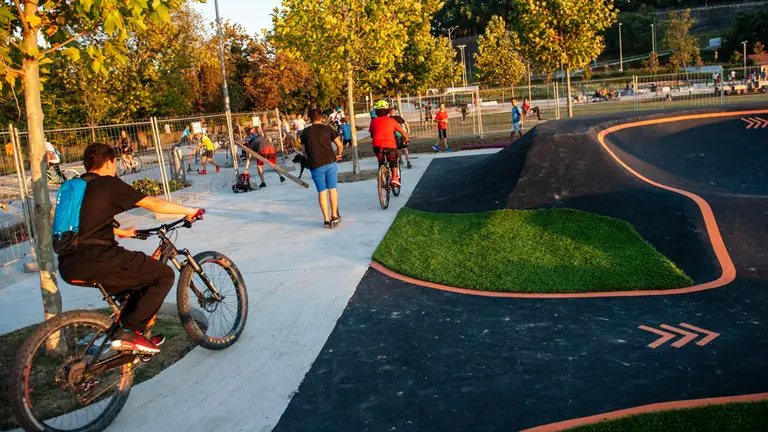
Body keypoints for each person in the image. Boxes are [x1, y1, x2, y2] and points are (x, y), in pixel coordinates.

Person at [57, 142, 203, 354]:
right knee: (163, 275)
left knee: (132, 291)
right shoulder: (108, 184)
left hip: (68, 264)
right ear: (109, 162)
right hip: (98, 259)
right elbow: (155, 204)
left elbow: (81, 224)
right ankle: (128, 333)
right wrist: (190, 211)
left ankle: (134, 336)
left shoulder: (75, 188)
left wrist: (121, 232)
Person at [300, 109, 343, 228]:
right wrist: (338, 155)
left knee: (322, 192)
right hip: (330, 161)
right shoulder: (328, 129)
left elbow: (303, 150)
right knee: (332, 189)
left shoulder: (305, 132)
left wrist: (310, 157)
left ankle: (326, 219)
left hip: (315, 164)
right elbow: (340, 145)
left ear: (310, 119)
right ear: (321, 118)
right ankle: (334, 215)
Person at [370, 100, 408, 188]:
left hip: (377, 145)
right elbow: (401, 131)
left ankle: (381, 177)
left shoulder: (373, 121)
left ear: (376, 111)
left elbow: (372, 134)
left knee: (381, 161)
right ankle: (394, 177)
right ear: (387, 111)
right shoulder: (391, 121)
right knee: (393, 160)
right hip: (390, 145)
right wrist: (406, 139)